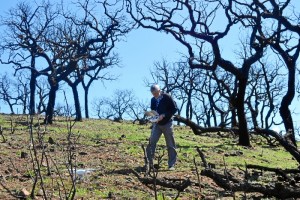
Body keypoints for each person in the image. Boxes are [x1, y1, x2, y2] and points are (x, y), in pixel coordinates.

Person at [146, 84, 178, 171]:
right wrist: (152, 118)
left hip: (167, 123)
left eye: (156, 93)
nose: (155, 95)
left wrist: (164, 115)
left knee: (170, 144)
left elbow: (174, 109)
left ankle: (171, 165)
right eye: (153, 94)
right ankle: (149, 164)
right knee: (151, 142)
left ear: (159, 90)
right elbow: (153, 112)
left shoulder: (167, 97)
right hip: (157, 124)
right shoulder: (153, 100)